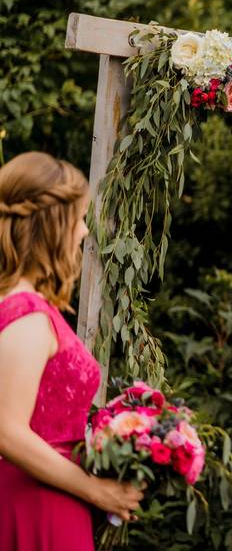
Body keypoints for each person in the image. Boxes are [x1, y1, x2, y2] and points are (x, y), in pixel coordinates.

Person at [0, 152, 143, 551]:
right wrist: (96, 490)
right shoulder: (25, 314)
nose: (83, 232)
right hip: (35, 506)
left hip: (52, 496)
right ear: (51, 225)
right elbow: (7, 432)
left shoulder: (31, 306)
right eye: (78, 218)